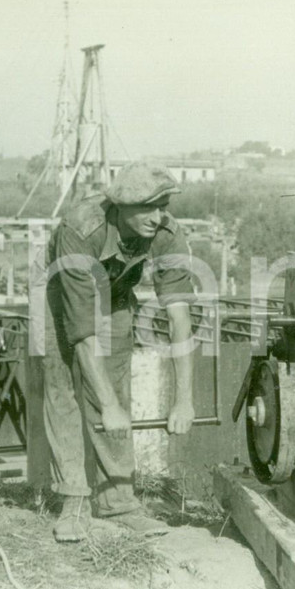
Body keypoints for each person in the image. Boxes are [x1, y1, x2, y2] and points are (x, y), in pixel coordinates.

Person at [42, 162, 197, 543]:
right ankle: (73, 499)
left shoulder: (167, 233)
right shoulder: (81, 228)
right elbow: (81, 332)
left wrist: (184, 400)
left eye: (163, 207)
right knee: (62, 386)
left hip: (114, 291)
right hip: (63, 291)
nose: (157, 217)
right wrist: (106, 406)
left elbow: (179, 320)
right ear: (119, 207)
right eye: (148, 207)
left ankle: (119, 501)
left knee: (114, 385)